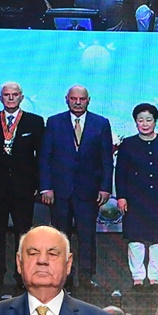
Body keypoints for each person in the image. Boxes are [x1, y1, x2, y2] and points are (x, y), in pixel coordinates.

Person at [38, 85, 113, 290]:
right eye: (73, 99)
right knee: (61, 237)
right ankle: (62, 277)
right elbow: (45, 156)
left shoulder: (101, 123)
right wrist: (45, 187)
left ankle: (87, 276)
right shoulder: (54, 122)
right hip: (60, 191)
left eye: (81, 99)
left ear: (89, 100)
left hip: (88, 191)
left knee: (87, 235)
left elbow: (107, 159)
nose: (77, 102)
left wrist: (105, 187)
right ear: (66, 99)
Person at [0, 82, 46, 289]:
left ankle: (22, 274)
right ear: (0, 98)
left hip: (24, 187)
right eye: (7, 95)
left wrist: (39, 184)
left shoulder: (34, 122)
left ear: (22, 97)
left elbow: (40, 156)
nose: (11, 98)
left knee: (23, 235)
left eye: (15, 95)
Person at [114, 103, 158, 288]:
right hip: (135, 198)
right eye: (140, 120)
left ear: (156, 121)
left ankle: (154, 277)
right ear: (135, 122)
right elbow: (120, 172)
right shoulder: (128, 144)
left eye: (148, 120)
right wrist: (122, 197)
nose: (144, 124)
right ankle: (137, 277)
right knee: (135, 238)